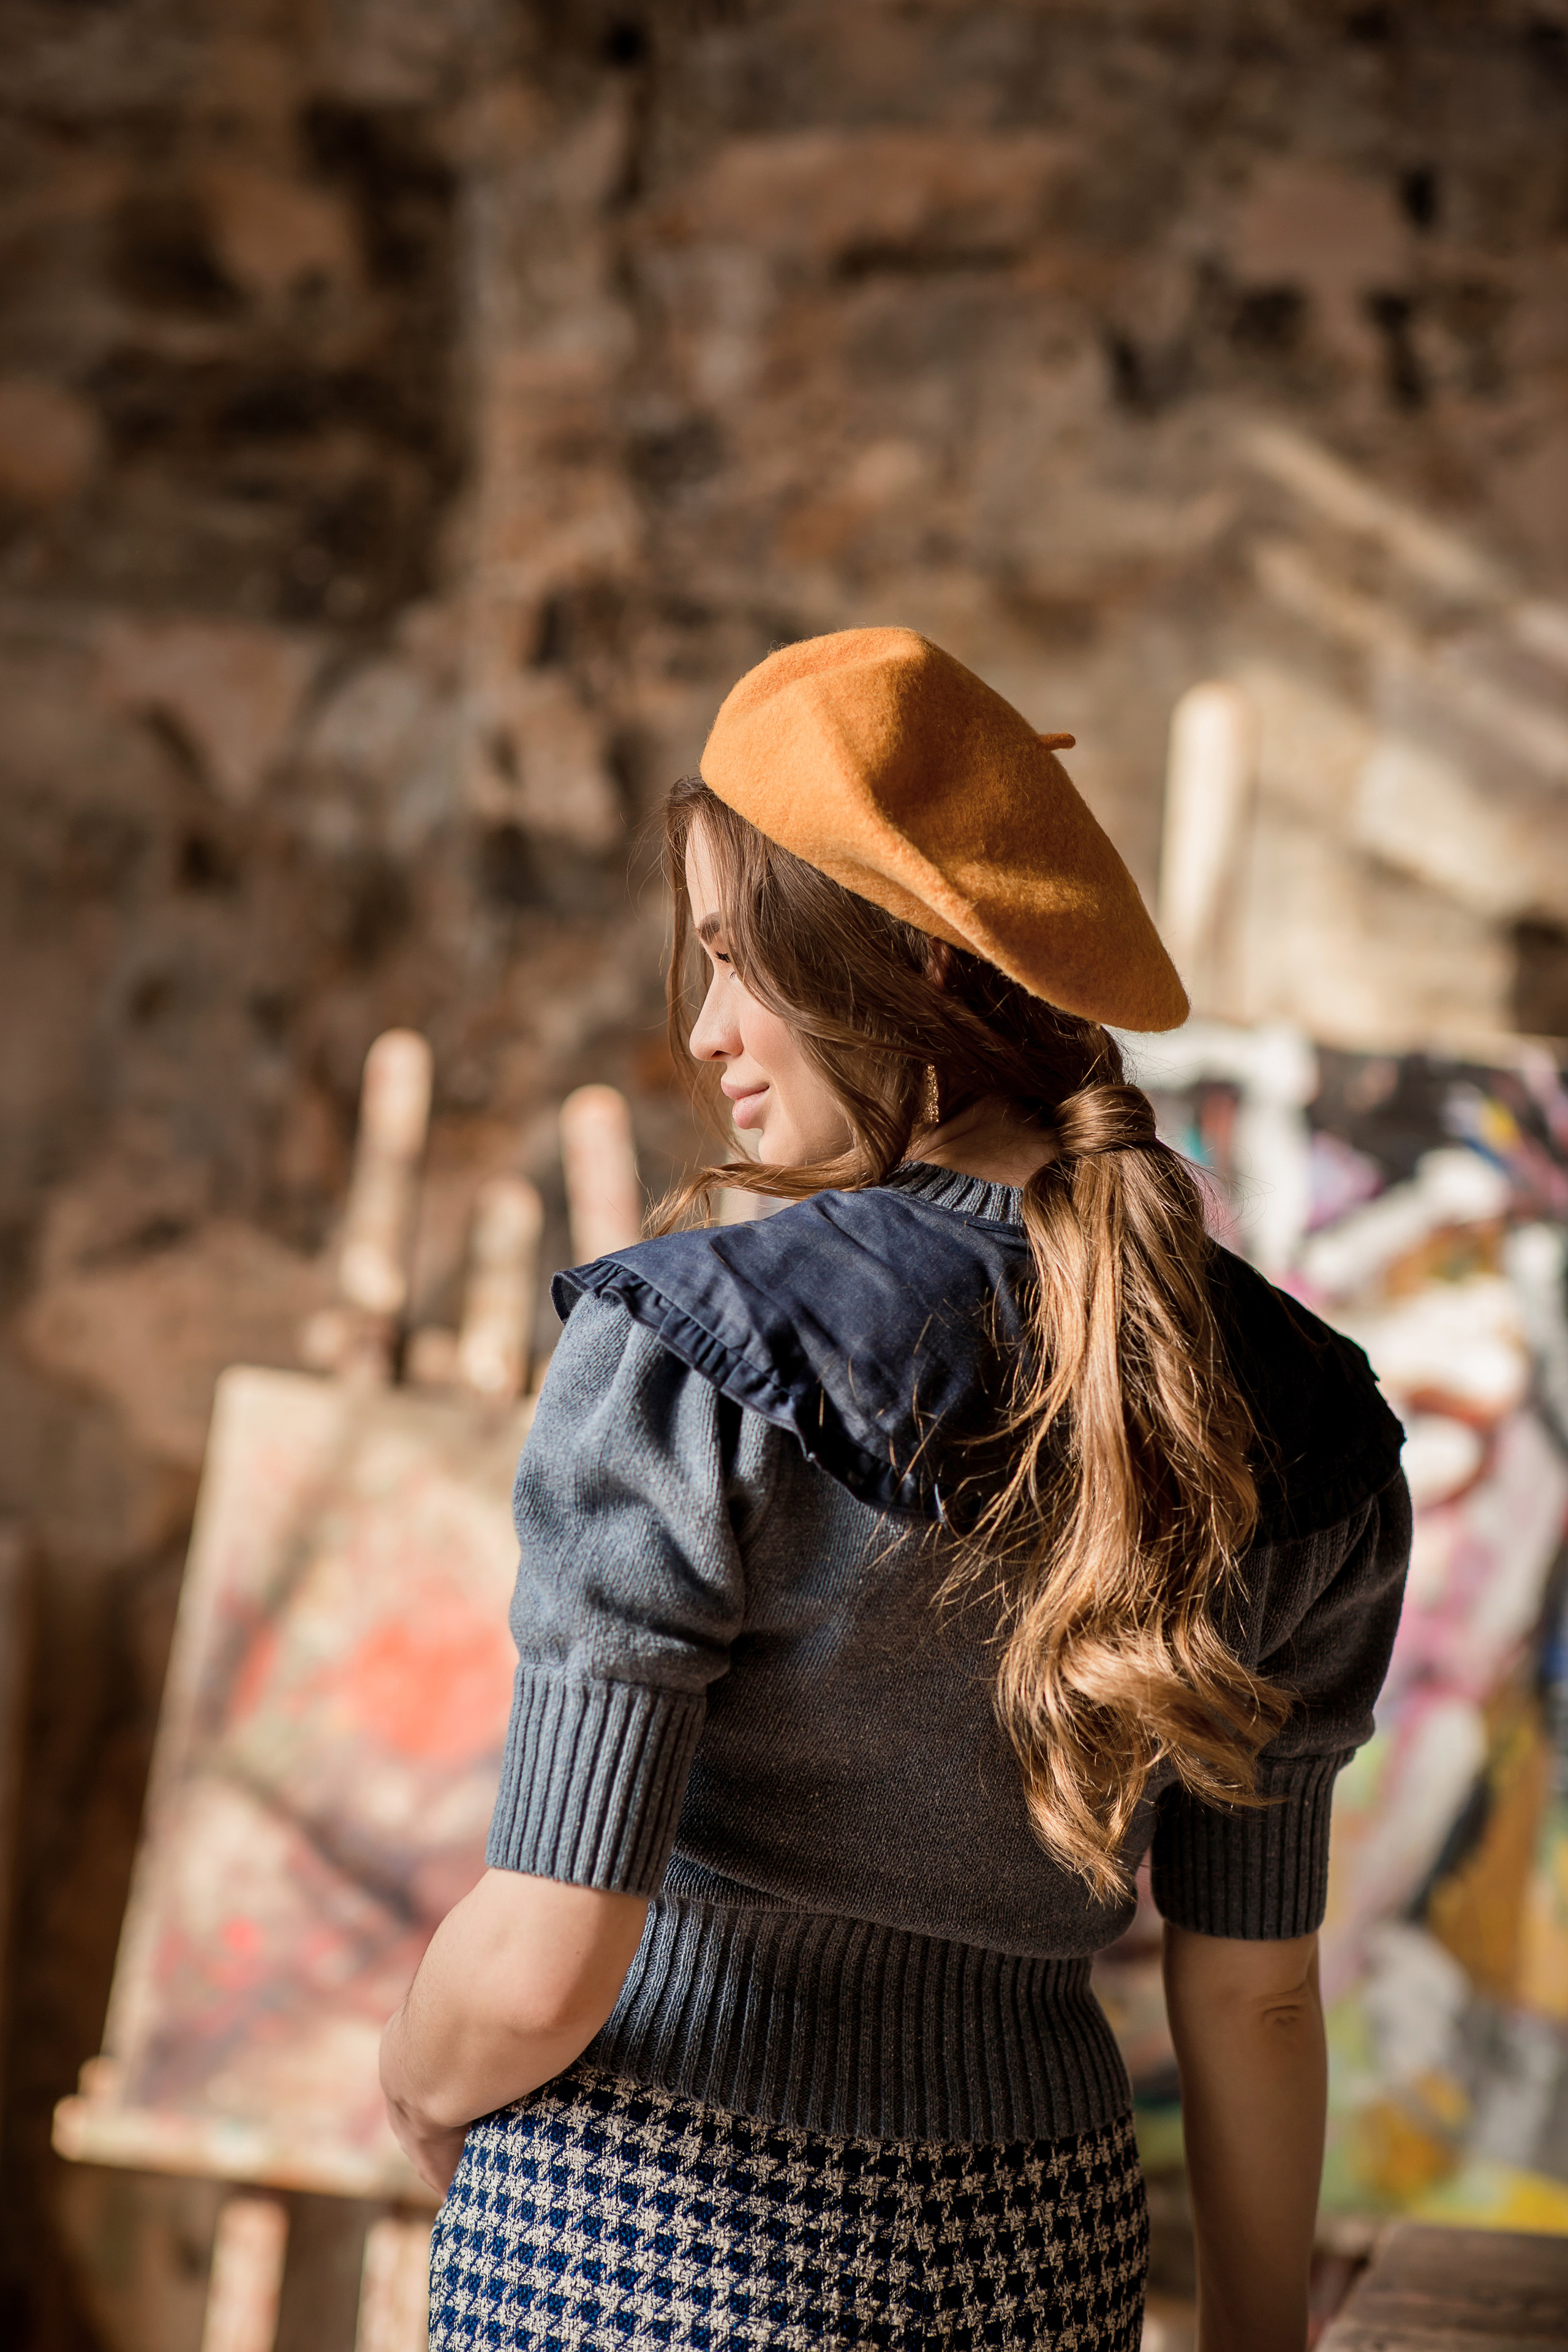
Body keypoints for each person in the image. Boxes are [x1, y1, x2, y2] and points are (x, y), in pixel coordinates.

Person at [382, 628, 1409, 2352]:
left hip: (650, 2223)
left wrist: (423, 2087)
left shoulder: (690, 1351)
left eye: (736, 960)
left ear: (887, 967)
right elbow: (1257, 1993)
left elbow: (545, 1957)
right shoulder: (1301, 1424)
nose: (705, 1030)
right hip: (1042, 2244)